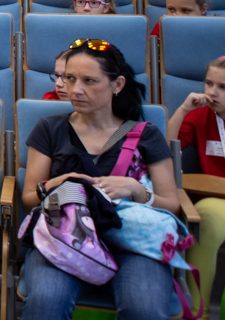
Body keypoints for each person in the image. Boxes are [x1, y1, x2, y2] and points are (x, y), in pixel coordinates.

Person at [19, 39, 176, 318]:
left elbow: (171, 204)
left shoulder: (146, 134)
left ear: (117, 85)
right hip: (64, 237)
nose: (75, 90)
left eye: (89, 81)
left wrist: (137, 190)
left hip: (131, 242)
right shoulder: (50, 128)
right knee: (46, 302)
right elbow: (29, 199)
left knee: (144, 308)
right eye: (69, 78)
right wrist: (53, 186)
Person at [168, 54, 225, 313]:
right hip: (219, 200)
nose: (212, 92)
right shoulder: (201, 116)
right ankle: (198, 313)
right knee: (204, 217)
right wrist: (183, 110)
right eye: (209, 83)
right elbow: (164, 151)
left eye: (224, 87)